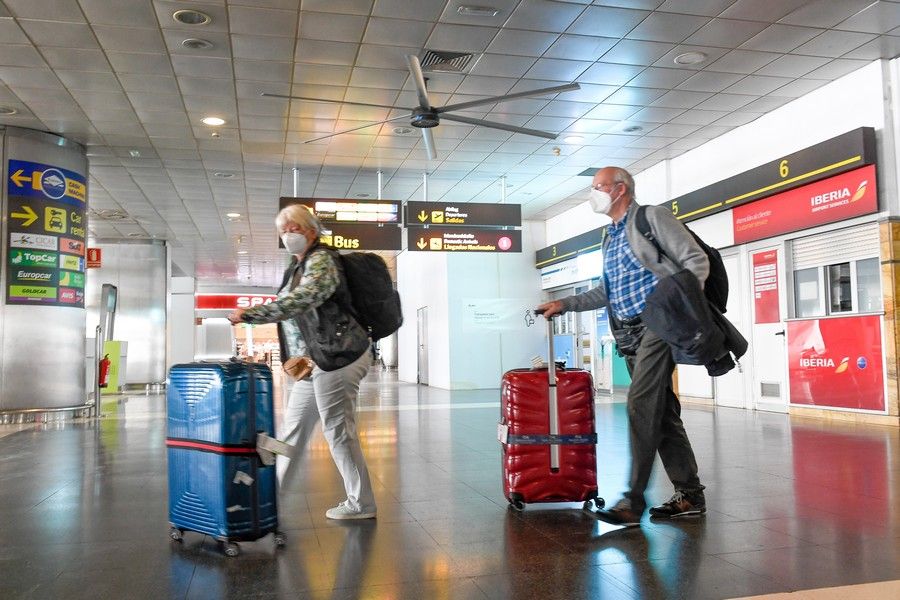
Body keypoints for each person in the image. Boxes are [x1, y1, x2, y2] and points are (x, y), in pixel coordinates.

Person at [537, 166, 708, 527]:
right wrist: (564, 304)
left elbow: (696, 262)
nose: (592, 194)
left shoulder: (651, 217)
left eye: (598, 187)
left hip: (659, 325)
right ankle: (690, 494)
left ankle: (632, 501)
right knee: (661, 414)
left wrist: (679, 308)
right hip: (629, 335)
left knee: (640, 404)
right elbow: (607, 292)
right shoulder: (610, 236)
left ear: (619, 189)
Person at [228, 204, 376, 520]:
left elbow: (302, 300)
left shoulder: (322, 260)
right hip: (314, 363)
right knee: (292, 431)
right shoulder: (296, 267)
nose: (288, 234)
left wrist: (253, 315)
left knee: (338, 431)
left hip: (339, 357)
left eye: (294, 228)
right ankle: (272, 499)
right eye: (284, 230)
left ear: (311, 230)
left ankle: (361, 503)